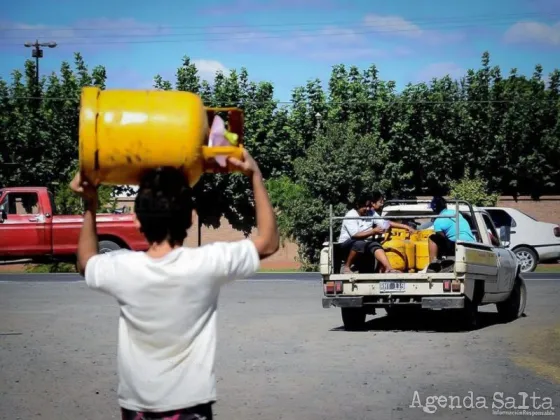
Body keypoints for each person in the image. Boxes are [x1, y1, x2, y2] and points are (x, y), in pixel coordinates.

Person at [70, 149, 279, 420]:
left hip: (137, 408)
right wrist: (254, 175)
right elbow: (269, 242)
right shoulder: (206, 264)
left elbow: (86, 261)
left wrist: (90, 203)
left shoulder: (123, 268)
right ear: (191, 217)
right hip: (190, 405)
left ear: (136, 220)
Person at [338, 195, 400, 274]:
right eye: (365, 206)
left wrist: (405, 226)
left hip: (364, 244)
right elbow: (355, 235)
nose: (367, 209)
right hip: (347, 245)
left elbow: (384, 223)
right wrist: (373, 231)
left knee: (375, 245)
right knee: (359, 243)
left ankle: (389, 268)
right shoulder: (350, 215)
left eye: (369, 206)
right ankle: (347, 267)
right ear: (358, 205)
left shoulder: (371, 213)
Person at [427, 196, 476, 263]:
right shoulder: (456, 213)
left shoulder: (438, 221)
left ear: (434, 209)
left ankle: (433, 263)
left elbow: (442, 238)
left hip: (456, 245)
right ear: (445, 205)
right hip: (472, 242)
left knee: (432, 238)